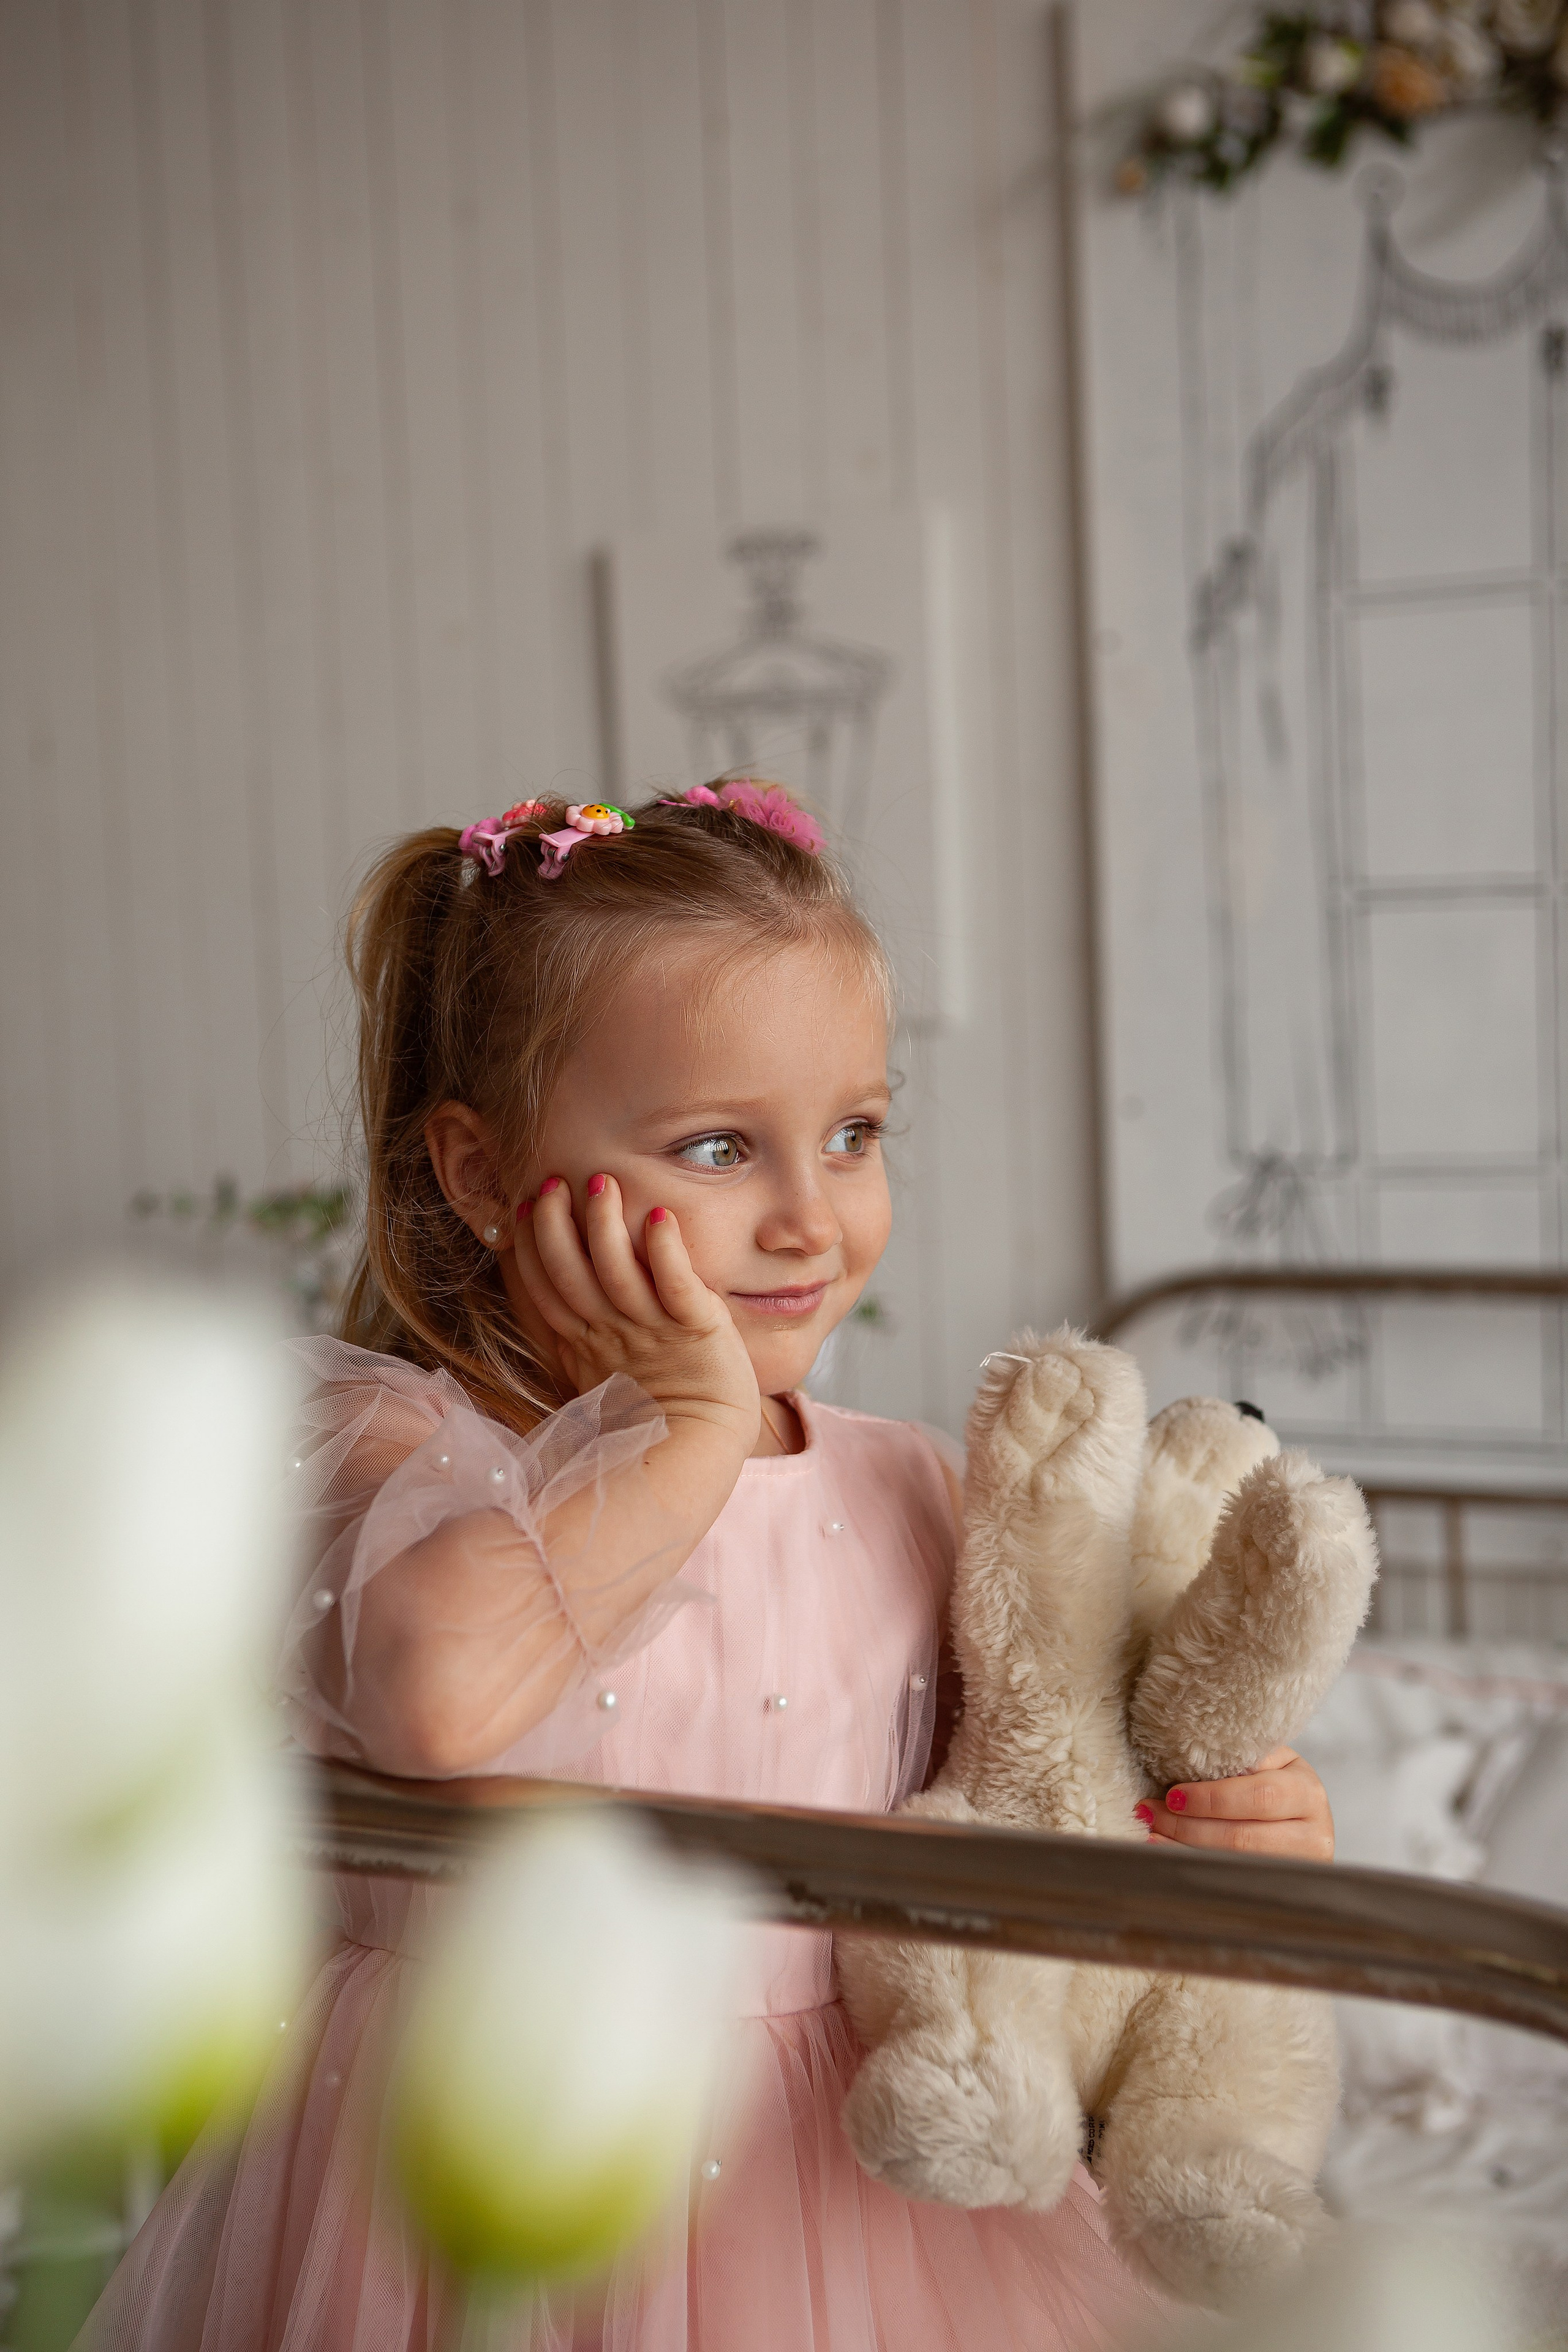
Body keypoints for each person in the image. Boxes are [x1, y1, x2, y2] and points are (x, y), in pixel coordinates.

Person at [84, 780, 1334, 2352]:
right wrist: (689, 1425)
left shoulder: (915, 1489)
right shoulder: (391, 1449)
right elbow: (436, 1698)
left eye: (855, 1134)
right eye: (721, 1146)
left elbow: (1034, 1805)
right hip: (480, 2175)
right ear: (478, 1175)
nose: (812, 1218)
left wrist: (1225, 1846)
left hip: (834, 2197)